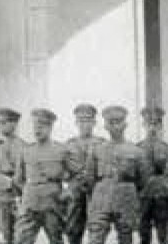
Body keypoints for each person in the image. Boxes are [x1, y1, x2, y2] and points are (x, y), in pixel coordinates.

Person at [85, 105, 149, 244]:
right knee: (95, 237)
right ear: (106, 126)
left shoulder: (136, 151)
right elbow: (90, 180)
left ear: (125, 124)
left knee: (126, 237)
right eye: (110, 122)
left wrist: (129, 190)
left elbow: (143, 181)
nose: (115, 126)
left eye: (118, 122)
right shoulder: (96, 150)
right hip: (101, 198)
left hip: (126, 197)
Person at [14, 108, 73, 244]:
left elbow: (74, 175)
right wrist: (27, 193)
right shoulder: (26, 151)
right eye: (35, 126)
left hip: (52, 204)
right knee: (22, 240)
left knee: (56, 239)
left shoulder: (61, 150)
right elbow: (18, 179)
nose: (37, 130)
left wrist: (67, 192)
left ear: (50, 127)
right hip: (30, 204)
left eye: (42, 126)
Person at [0, 107, 26, 244]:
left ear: (14, 124)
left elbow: (27, 170)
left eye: (4, 123)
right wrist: (9, 182)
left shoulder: (23, 146)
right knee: (6, 234)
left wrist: (20, 185)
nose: (0, 126)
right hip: (3, 195)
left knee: (22, 234)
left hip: (20, 195)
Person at [66, 103, 103, 244]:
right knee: (73, 229)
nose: (84, 124)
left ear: (94, 123)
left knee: (97, 228)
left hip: (95, 190)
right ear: (76, 123)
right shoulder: (69, 144)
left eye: (88, 120)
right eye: (81, 121)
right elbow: (62, 167)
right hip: (75, 191)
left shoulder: (101, 143)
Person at [137, 106, 168, 244]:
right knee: (144, 236)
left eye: (156, 123)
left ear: (160, 126)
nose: (152, 127)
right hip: (143, 197)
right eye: (149, 124)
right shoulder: (137, 148)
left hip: (162, 198)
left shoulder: (167, 148)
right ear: (144, 125)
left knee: (163, 236)